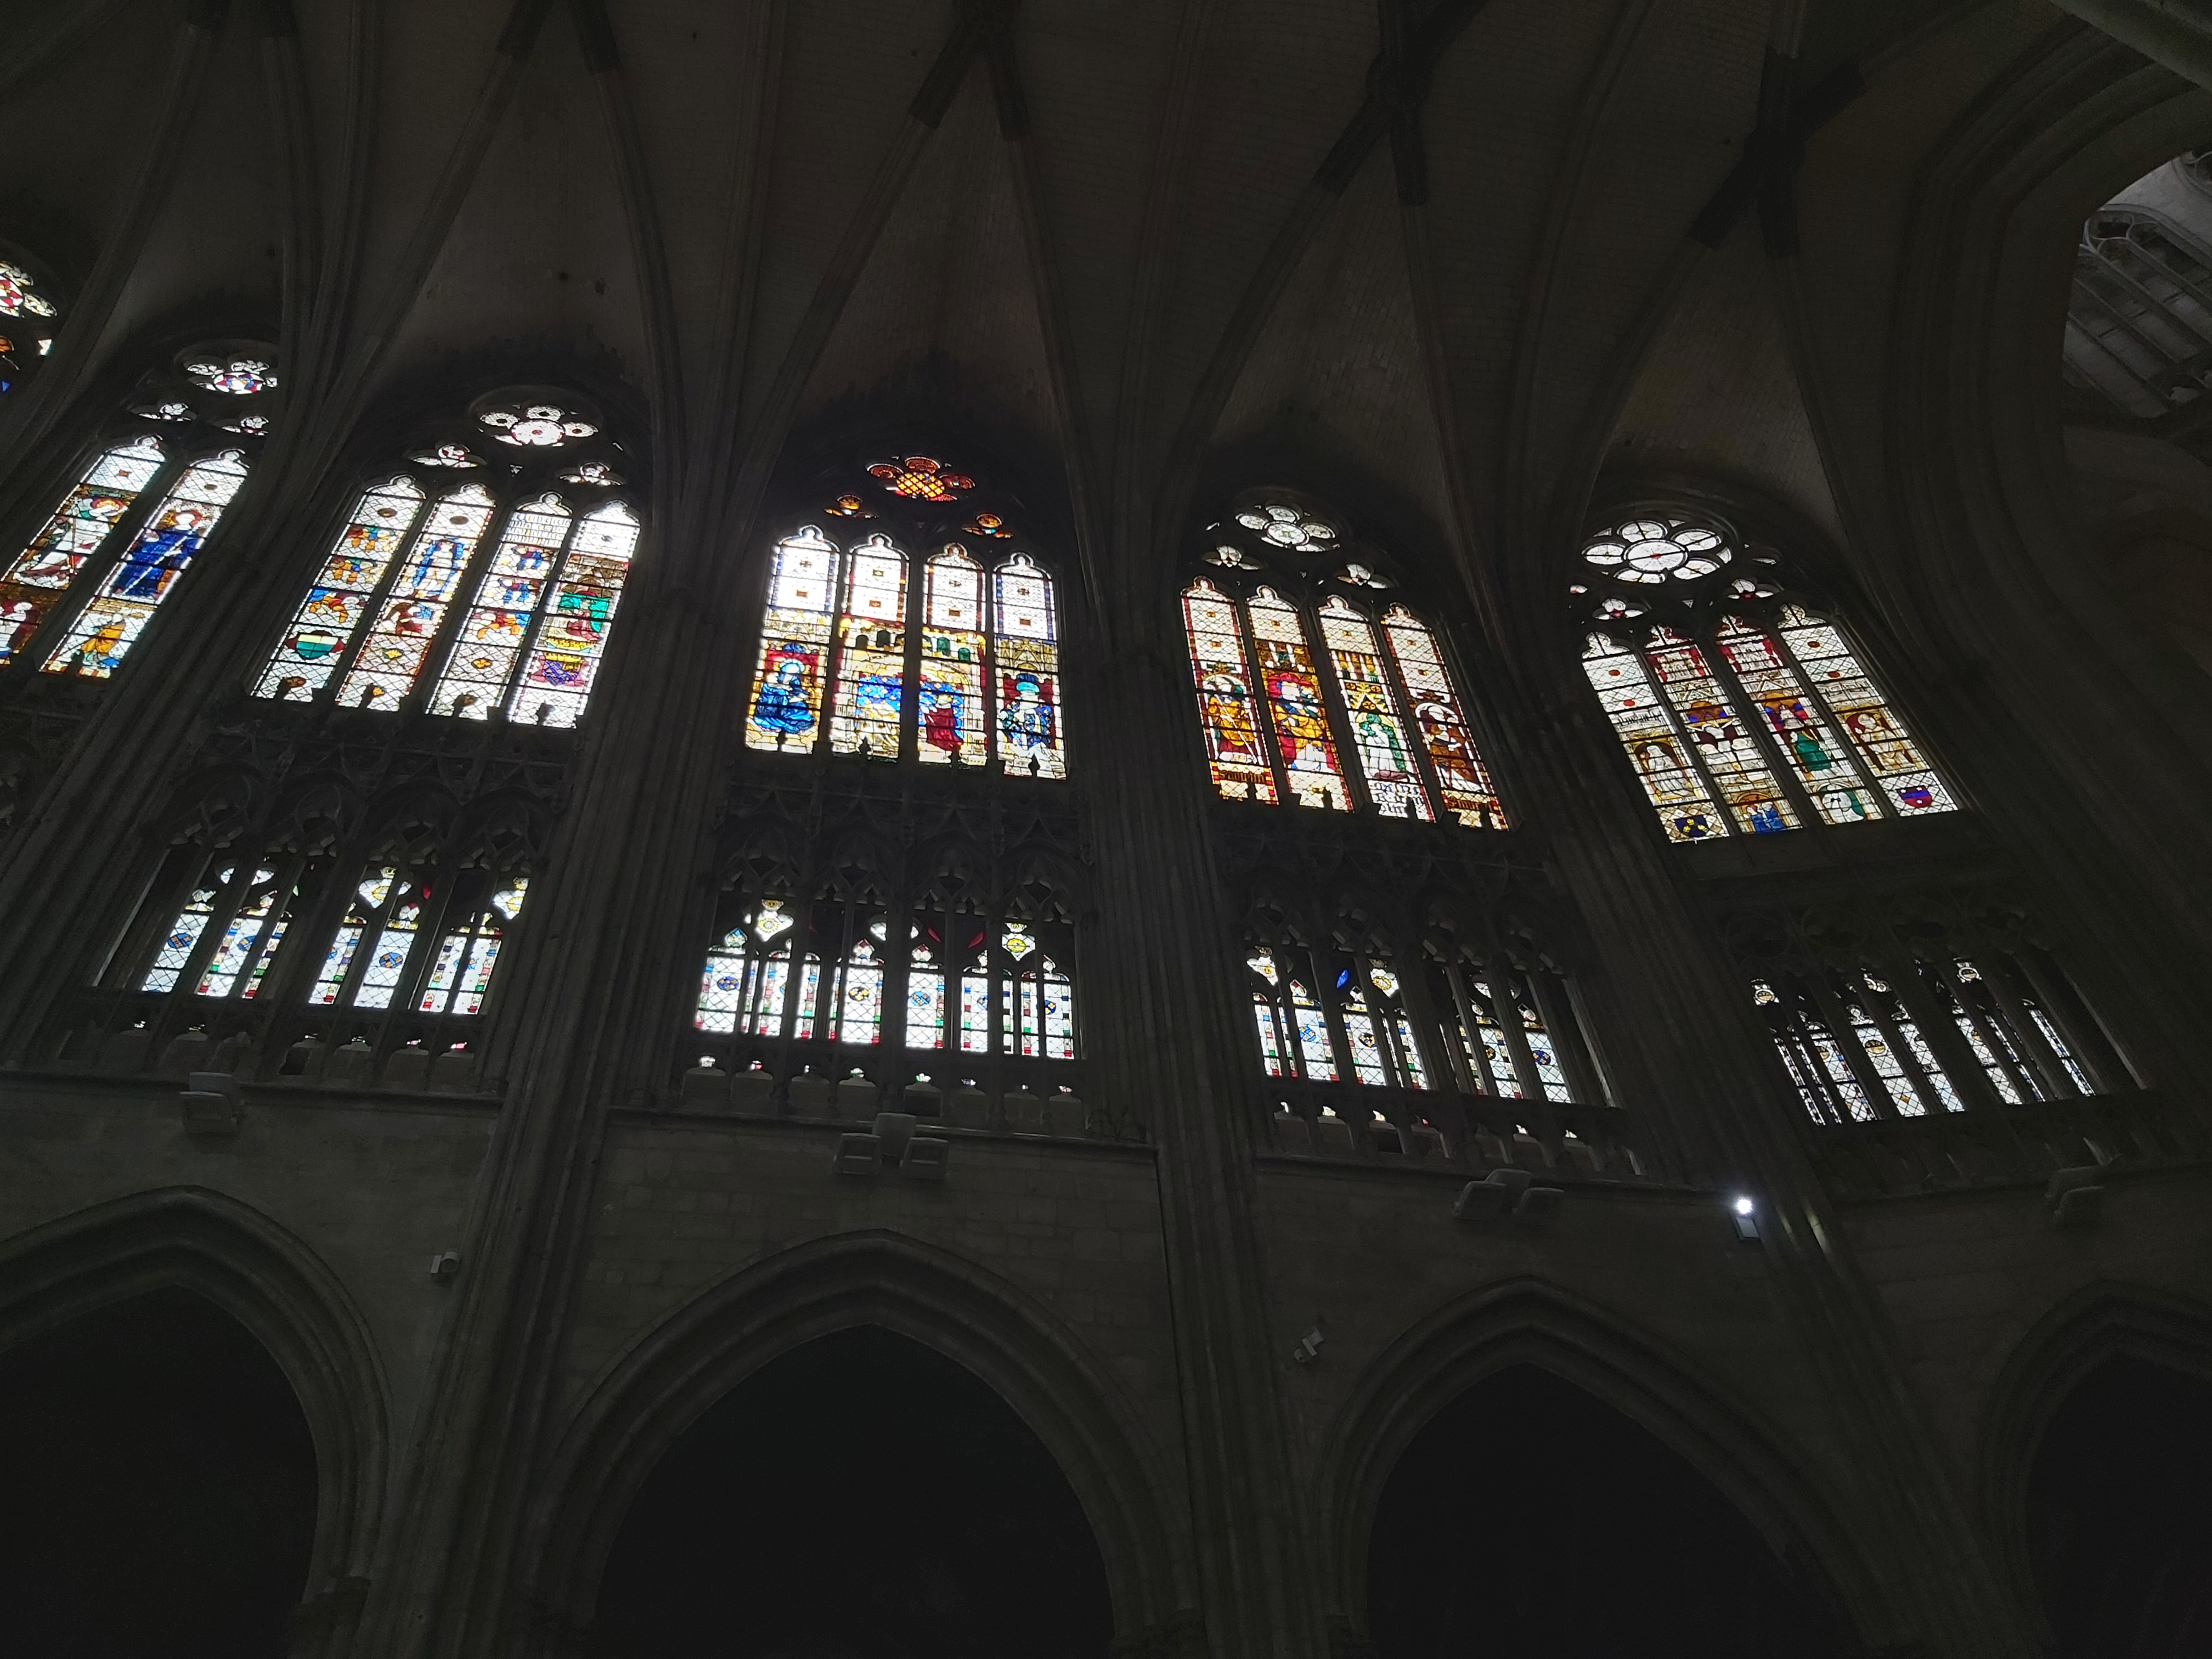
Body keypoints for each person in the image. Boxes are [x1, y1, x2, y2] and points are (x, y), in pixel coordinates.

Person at [752, 654, 815, 736]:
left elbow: (797, 690)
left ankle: (797, 721)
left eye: (795, 672)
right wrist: (783, 692)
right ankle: (784, 721)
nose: (792, 674)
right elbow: (770, 687)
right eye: (791, 671)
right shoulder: (777, 677)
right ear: (785, 669)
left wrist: (801, 695)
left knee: (801, 706)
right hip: (775, 700)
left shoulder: (795, 679)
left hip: (789, 700)